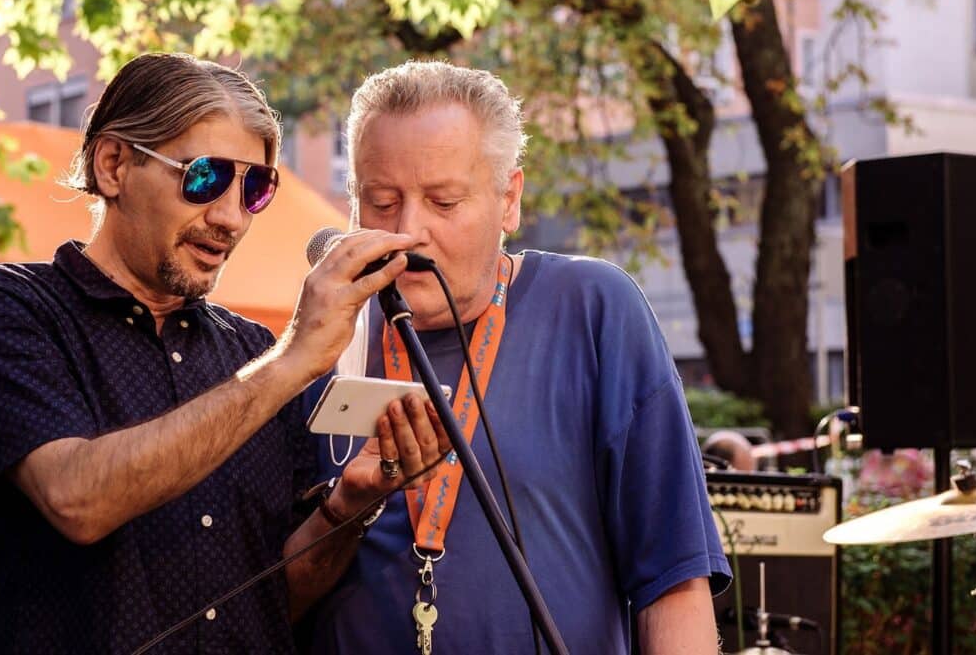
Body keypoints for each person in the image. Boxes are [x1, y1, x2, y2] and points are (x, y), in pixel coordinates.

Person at [0, 53, 449, 654]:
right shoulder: (7, 310)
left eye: (255, 188)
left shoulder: (250, 351)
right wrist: (288, 364)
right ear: (114, 164)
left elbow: (280, 601)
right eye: (204, 177)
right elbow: (77, 500)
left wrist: (352, 505)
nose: (230, 216)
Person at [303, 61, 730, 654]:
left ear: (509, 200)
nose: (408, 231)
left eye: (444, 202)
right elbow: (273, 599)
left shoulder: (594, 310)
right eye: (380, 202)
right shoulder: (323, 338)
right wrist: (348, 507)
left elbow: (674, 578)